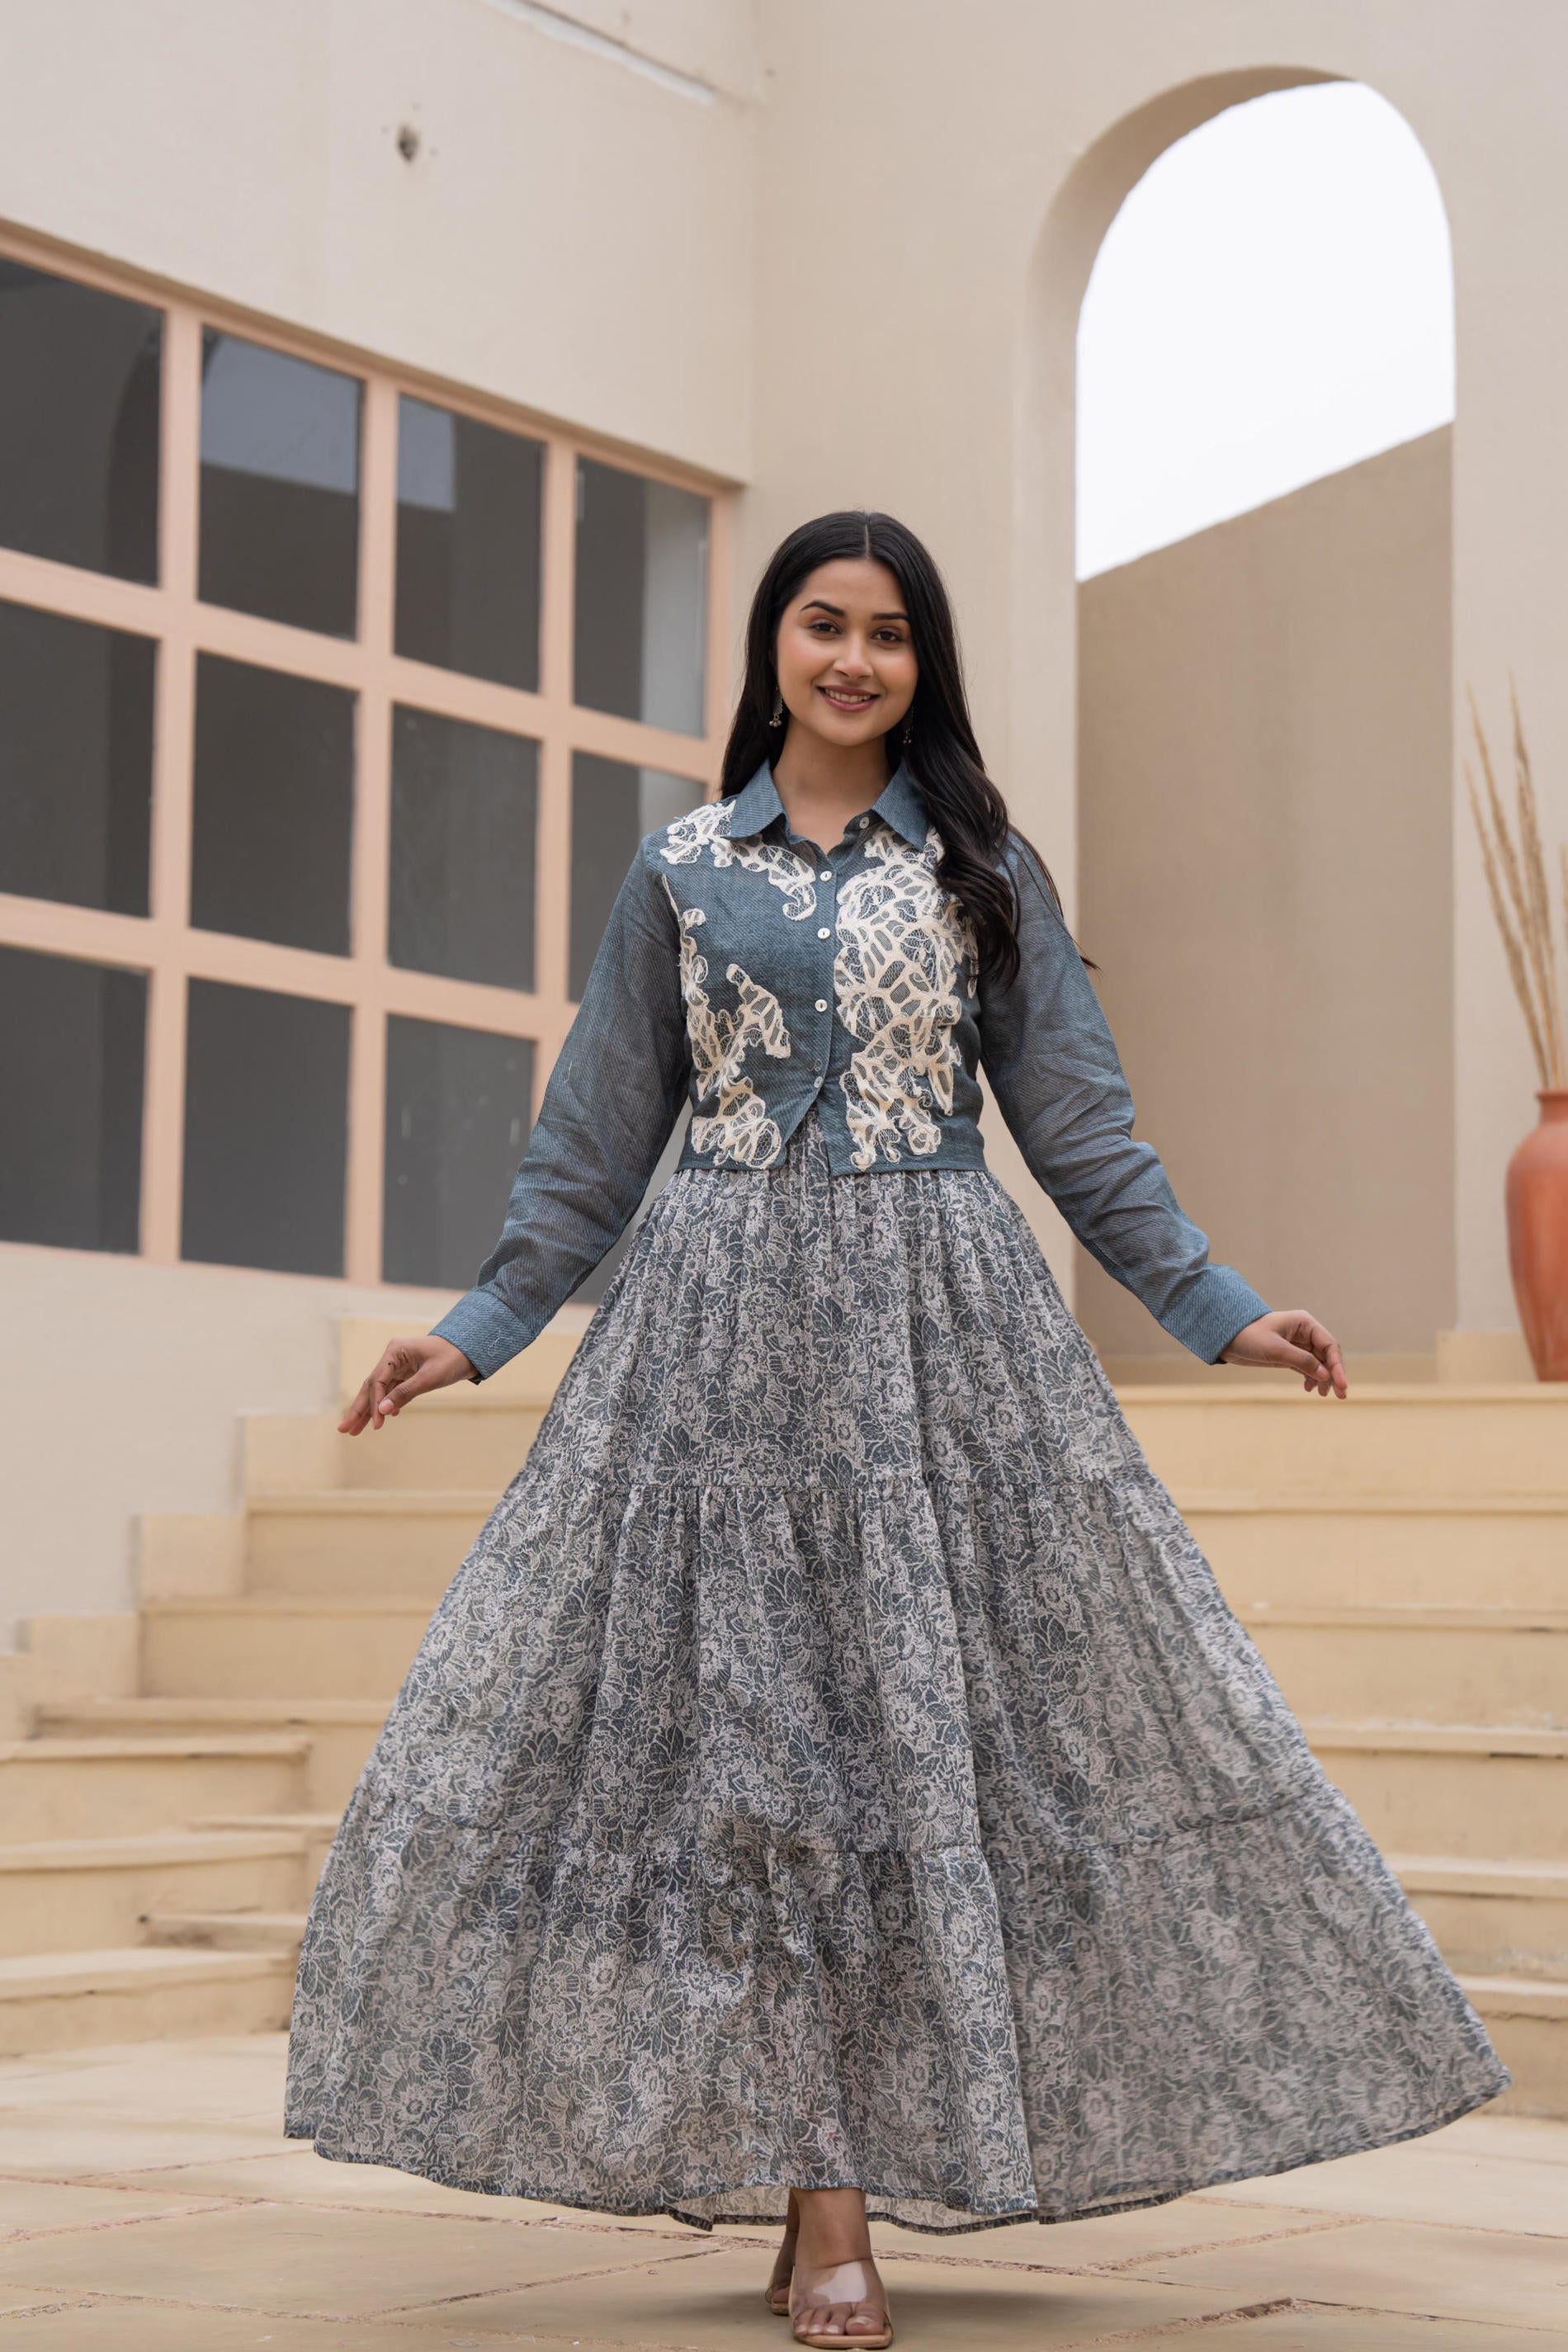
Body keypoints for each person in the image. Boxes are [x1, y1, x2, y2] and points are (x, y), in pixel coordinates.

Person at [285, 510, 1509, 2350]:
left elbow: (1078, 1123)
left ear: (921, 665)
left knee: (919, 1756)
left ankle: (831, 2179)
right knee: (756, 1771)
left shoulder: (978, 869)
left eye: (887, 635)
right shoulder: (684, 870)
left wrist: (1213, 1307)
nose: (850, 660)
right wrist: (473, 1333)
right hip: (709, 1364)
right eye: (819, 625)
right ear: (772, 644)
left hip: (939, 1359)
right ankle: (828, 2193)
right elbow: (592, 1143)